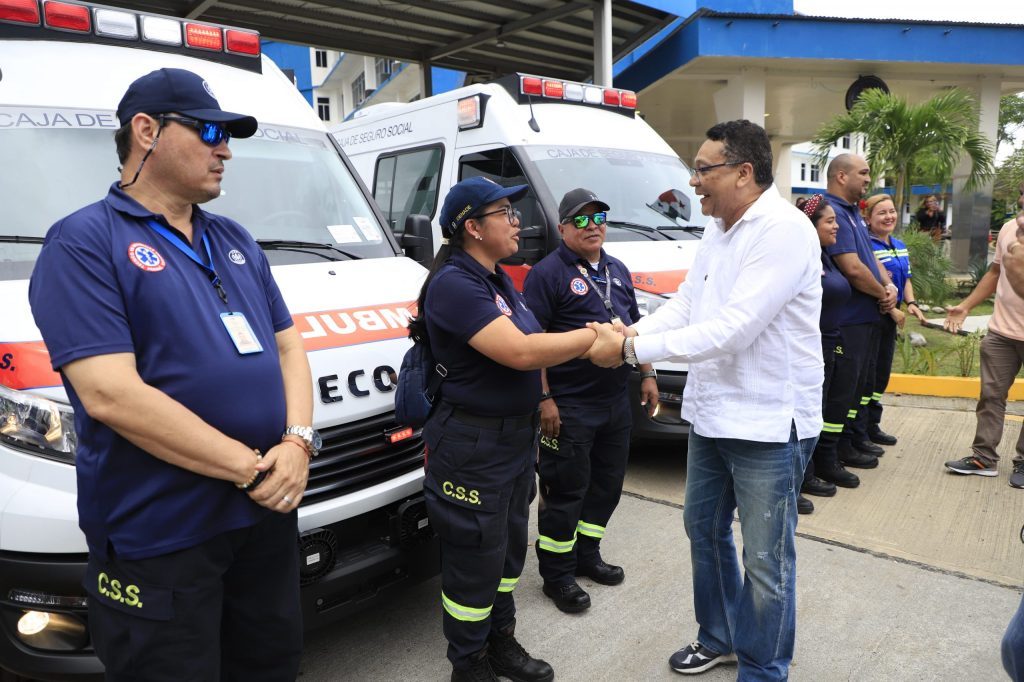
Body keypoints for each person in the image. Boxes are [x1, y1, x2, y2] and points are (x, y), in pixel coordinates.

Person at [28, 68, 314, 680]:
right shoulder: (82, 243)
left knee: (270, 664)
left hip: (263, 520)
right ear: (147, 130)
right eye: (210, 131)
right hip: (163, 537)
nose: (226, 149)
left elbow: (290, 350)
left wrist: (297, 442)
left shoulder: (235, 239)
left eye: (228, 136)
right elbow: (110, 394)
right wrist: (250, 467)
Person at [587, 119, 823, 679]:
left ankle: (763, 667)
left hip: (769, 421)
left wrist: (623, 353)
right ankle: (718, 636)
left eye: (702, 169)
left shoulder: (782, 231)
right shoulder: (719, 228)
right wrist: (632, 335)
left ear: (744, 172)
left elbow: (734, 328)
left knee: (766, 559)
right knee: (704, 530)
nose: (693, 182)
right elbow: (689, 304)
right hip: (714, 412)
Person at [412, 176, 601, 682]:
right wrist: (592, 337)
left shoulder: (495, 278)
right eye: (505, 214)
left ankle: (501, 642)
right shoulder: (455, 282)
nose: (517, 222)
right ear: (472, 227)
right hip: (472, 444)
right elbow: (519, 351)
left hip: (511, 441)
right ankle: (468, 663)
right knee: (475, 558)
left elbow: (532, 338)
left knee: (508, 549)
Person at [522, 188, 658, 613]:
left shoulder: (617, 268)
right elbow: (533, 342)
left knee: (606, 487)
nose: (592, 225)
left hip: (615, 401)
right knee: (565, 492)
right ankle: (557, 575)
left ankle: (587, 555)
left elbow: (634, 329)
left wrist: (648, 374)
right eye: (580, 219)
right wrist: (544, 399)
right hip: (569, 406)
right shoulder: (547, 273)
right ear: (562, 227)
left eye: (599, 216)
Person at [944, 188, 1024, 489]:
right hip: (1002, 331)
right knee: (991, 396)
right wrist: (965, 305)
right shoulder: (1007, 230)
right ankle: (983, 458)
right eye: (1022, 194)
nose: (1022, 200)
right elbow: (995, 273)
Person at [822, 154, 898, 472]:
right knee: (841, 392)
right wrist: (883, 294)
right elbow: (852, 268)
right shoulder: (832, 211)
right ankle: (828, 456)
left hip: (866, 318)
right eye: (863, 173)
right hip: (847, 321)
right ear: (841, 176)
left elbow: (869, 258)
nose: (868, 179)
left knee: (857, 389)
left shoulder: (852, 211)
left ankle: (848, 443)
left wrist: (888, 285)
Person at [800, 194, 858, 503]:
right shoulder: (803, 258)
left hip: (829, 342)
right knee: (805, 412)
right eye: (830, 221)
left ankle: (814, 468)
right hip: (809, 345)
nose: (836, 226)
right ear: (811, 225)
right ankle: (797, 480)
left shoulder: (826, 255)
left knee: (821, 410)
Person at [863, 194, 928, 442]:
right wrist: (892, 309)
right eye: (881, 213)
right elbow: (869, 282)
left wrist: (911, 303)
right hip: (873, 314)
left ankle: (873, 425)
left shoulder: (899, 244)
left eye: (891, 211)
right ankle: (860, 431)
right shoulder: (867, 245)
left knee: (882, 372)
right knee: (867, 374)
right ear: (868, 218)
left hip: (893, 316)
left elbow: (907, 278)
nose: (889, 216)